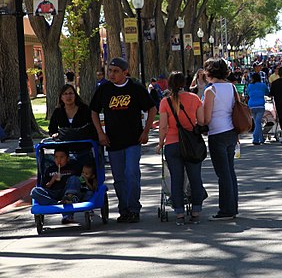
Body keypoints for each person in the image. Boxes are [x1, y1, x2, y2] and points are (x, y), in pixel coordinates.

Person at [90, 57, 157, 223]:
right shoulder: (104, 89)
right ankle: (124, 209)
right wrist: (100, 133)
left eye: (115, 71)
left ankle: (134, 208)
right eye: (110, 71)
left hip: (133, 140)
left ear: (125, 72)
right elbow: (93, 111)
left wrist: (146, 131)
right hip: (113, 142)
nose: (111, 74)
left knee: (132, 173)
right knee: (119, 177)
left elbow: (152, 108)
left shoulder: (135, 88)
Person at [156, 71, 206, 225]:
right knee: (195, 178)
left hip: (172, 144)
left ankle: (179, 214)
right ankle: (196, 211)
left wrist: (160, 143)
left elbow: (163, 126)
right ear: (184, 83)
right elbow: (202, 121)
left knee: (176, 180)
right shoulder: (194, 98)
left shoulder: (165, 102)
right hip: (191, 144)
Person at [202, 58, 239, 220]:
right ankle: (233, 206)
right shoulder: (231, 87)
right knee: (230, 171)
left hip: (217, 133)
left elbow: (206, 118)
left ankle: (226, 210)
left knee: (222, 174)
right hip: (231, 131)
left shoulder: (210, 91)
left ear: (209, 72)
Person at [30, 148, 81, 224]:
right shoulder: (49, 170)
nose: (59, 160)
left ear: (67, 158)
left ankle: (67, 214)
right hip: (52, 193)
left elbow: (78, 182)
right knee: (34, 191)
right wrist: (52, 180)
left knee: (74, 179)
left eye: (62, 157)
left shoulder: (72, 168)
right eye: (56, 157)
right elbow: (45, 187)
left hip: (66, 192)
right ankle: (56, 205)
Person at [246, 72, 270, 145]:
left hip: (251, 105)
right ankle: (256, 138)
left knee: (257, 122)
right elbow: (267, 93)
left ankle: (261, 138)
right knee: (258, 122)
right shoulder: (263, 85)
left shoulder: (249, 86)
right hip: (260, 105)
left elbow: (247, 93)